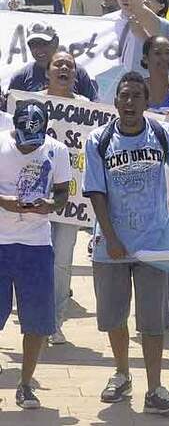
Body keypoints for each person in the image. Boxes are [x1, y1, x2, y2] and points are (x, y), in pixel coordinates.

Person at [83, 72, 169, 415]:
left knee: (153, 321)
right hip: (111, 243)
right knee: (113, 317)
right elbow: (95, 191)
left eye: (136, 97)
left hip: (153, 242)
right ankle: (122, 373)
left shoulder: (160, 133)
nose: (129, 102)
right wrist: (110, 237)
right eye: (124, 96)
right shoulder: (98, 139)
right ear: (115, 101)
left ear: (146, 102)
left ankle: (155, 388)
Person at [0, 101, 71, 409]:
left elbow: (63, 192)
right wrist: (5, 201)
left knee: (37, 321)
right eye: (24, 143)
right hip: (1, 242)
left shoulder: (57, 150)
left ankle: (26, 384)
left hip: (37, 246)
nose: (30, 148)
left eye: (36, 143)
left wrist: (50, 206)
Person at [35, 52, 85, 345]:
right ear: (49, 72)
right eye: (59, 64)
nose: (64, 68)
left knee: (62, 260)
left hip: (71, 203)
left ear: (75, 75)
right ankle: (36, 317)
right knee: (35, 259)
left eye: (70, 65)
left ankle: (54, 321)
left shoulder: (86, 108)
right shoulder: (31, 105)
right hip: (34, 199)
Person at [10, 23, 98, 100]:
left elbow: (95, 106)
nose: (39, 49)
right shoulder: (20, 77)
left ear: (56, 42)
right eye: (33, 44)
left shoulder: (78, 72)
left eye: (44, 43)